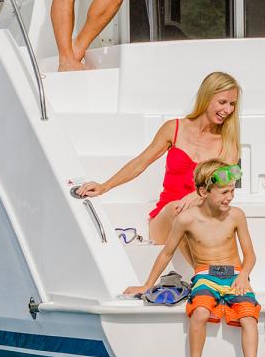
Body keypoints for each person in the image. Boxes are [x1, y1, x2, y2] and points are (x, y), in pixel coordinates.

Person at [124, 160, 265, 357]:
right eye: (224, 192)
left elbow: (250, 255)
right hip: (205, 275)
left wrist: (244, 276)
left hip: (235, 275)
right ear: (203, 192)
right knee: (199, 312)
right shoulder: (186, 219)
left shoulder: (236, 216)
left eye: (232, 191)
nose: (230, 197)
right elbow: (166, 253)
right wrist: (147, 284)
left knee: (248, 316)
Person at [77, 71, 239, 245]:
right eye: (222, 102)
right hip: (167, 217)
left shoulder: (227, 143)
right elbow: (140, 163)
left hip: (204, 219)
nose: (228, 110)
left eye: (232, 104)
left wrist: (197, 196)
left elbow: (229, 181)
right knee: (177, 210)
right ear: (206, 97)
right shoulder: (174, 128)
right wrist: (104, 186)